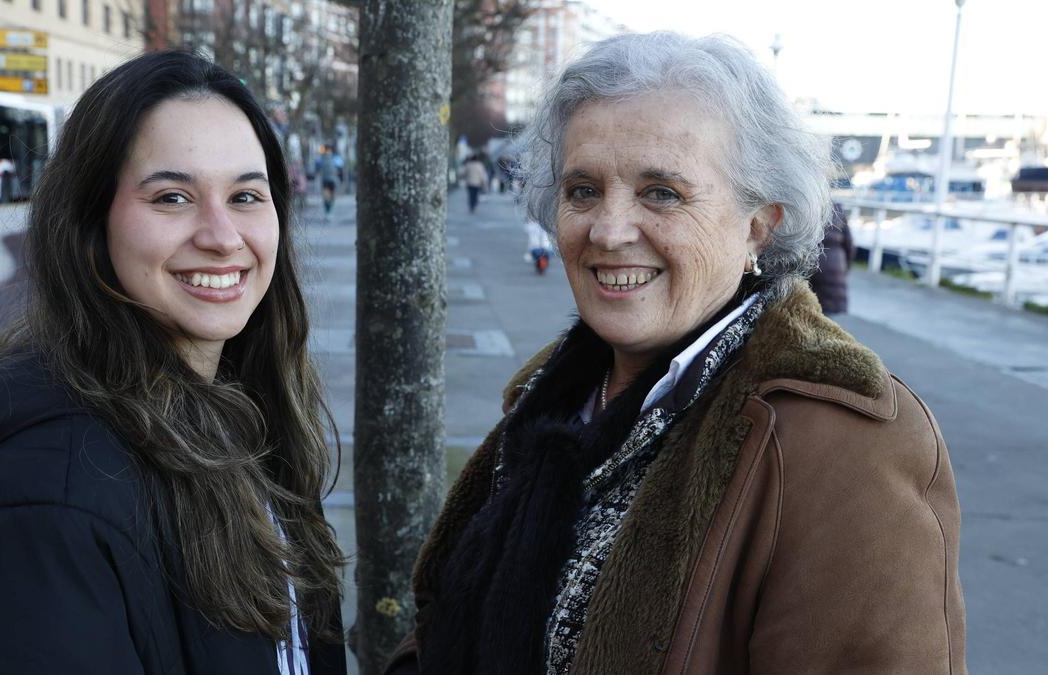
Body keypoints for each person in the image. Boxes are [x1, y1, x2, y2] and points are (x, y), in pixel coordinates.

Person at [388, 32, 965, 675]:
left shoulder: (844, 441)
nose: (607, 230)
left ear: (759, 224)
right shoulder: (554, 396)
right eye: (582, 190)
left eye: (661, 192)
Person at [0, 51, 347, 675]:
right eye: (172, 197)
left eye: (245, 194)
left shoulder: (247, 411)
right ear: (89, 221)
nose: (221, 234)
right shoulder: (51, 495)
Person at [809, 201, 854, 314]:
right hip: (837, 262)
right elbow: (849, 243)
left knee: (812, 309)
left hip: (814, 263)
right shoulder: (837, 207)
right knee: (828, 314)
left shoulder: (810, 205)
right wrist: (845, 267)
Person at [318, 147, 340, 220]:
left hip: (332, 181)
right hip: (326, 180)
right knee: (326, 197)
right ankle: (328, 212)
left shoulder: (335, 159)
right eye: (327, 151)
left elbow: (340, 168)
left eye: (329, 151)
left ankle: (329, 212)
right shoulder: (322, 160)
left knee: (332, 197)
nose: (328, 153)